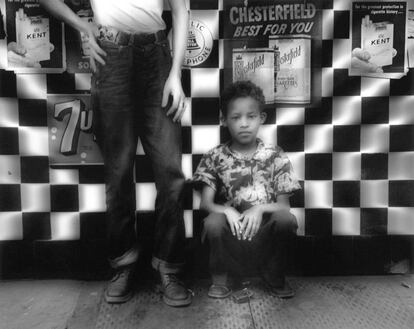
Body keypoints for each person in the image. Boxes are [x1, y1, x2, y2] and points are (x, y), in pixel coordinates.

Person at [39, 0, 191, 307]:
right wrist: (83, 25)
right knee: (119, 172)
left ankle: (168, 267)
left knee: (171, 173)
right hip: (112, 54)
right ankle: (124, 264)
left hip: (158, 56)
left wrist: (175, 73)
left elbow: (181, 9)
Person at [193, 81, 301, 299]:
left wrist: (259, 209)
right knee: (212, 222)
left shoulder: (275, 154)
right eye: (236, 117)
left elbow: (283, 206)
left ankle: (275, 275)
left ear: (261, 118)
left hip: (263, 236)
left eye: (250, 116)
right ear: (224, 120)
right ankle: (220, 279)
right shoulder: (215, 156)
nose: (244, 124)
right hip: (231, 236)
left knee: (285, 219)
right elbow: (205, 204)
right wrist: (227, 211)